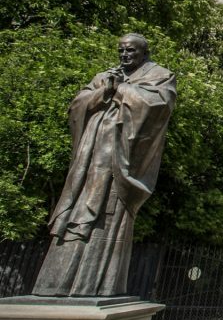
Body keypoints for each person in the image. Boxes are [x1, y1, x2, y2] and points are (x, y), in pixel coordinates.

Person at [32, 34, 176, 297]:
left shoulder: (159, 75)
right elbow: (77, 106)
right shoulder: (105, 76)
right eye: (120, 50)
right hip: (89, 157)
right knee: (77, 209)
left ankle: (96, 285)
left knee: (109, 214)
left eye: (130, 50)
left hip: (118, 162)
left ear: (144, 53)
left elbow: (158, 105)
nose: (124, 55)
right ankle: (57, 284)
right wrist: (105, 90)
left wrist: (120, 89)